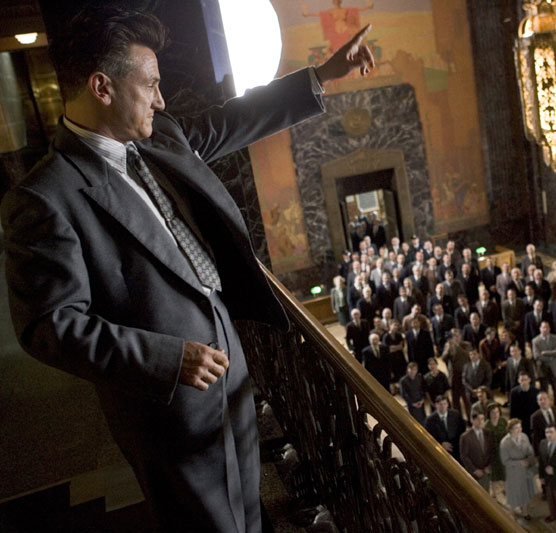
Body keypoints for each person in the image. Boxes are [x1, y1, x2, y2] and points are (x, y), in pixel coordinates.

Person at [0, 7, 374, 531]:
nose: (161, 100)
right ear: (102, 87)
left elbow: (232, 119)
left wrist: (324, 74)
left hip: (230, 366)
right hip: (165, 402)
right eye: (150, 85)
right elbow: (49, 327)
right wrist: (167, 359)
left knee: (251, 510)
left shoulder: (162, 136)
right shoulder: (44, 198)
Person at [500, 418, 537, 520]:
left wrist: (529, 460)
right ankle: (512, 513)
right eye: (516, 428)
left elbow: (530, 451)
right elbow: (505, 461)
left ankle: (525, 512)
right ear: (510, 429)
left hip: (525, 470)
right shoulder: (505, 443)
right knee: (514, 493)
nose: (519, 430)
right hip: (513, 472)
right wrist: (519, 463)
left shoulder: (524, 436)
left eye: (520, 427)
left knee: (525, 491)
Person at [459, 412, 494, 491]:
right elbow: (464, 456)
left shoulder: (488, 433)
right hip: (474, 473)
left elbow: (491, 451)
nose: (481, 421)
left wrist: (489, 466)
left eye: (482, 419)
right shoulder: (465, 437)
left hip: (486, 471)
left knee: (485, 492)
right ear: (472, 420)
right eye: (478, 419)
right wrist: (474, 470)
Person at [424, 395, 466, 461]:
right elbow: (428, 437)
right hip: (441, 450)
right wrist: (440, 444)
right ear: (436, 405)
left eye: (445, 403)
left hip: (457, 447)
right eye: (440, 404)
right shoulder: (430, 420)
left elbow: (462, 430)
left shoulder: (455, 414)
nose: (443, 406)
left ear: (447, 404)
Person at [441, 328, 472, 417]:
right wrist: (447, 350)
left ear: (460, 336)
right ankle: (458, 419)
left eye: (457, 336)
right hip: (454, 376)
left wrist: (457, 346)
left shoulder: (466, 344)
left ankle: (470, 419)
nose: (455, 338)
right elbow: (443, 358)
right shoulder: (448, 345)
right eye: (453, 336)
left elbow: (467, 355)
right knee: (455, 401)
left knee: (466, 400)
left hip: (465, 376)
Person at [533, 321, 556, 396]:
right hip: (542, 368)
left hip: (554, 367)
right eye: (543, 327)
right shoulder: (535, 341)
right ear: (540, 329)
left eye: (547, 327)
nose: (545, 329)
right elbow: (537, 356)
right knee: (544, 390)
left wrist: (545, 353)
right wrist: (552, 355)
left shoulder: (555, 338)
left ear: (549, 329)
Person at [485, 403, 508, 497]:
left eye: (497, 412)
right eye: (493, 413)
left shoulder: (503, 421)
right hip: (493, 453)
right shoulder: (487, 425)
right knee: (493, 475)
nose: (495, 414)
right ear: (489, 414)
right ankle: (494, 493)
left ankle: (506, 489)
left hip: (503, 450)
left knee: (504, 472)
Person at [509, 371, 540, 437]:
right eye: (522, 380)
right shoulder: (514, 392)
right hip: (520, 421)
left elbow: (538, 409)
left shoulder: (536, 392)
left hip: (532, 420)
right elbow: (512, 410)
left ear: (529, 380)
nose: (524, 382)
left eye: (525, 380)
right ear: (518, 381)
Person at [382, 319, 406, 384]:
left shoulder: (399, 335)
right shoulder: (386, 336)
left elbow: (401, 346)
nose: (396, 327)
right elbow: (388, 349)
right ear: (390, 325)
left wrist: (393, 347)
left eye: (397, 325)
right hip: (391, 359)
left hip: (400, 358)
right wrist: (397, 347)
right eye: (394, 325)